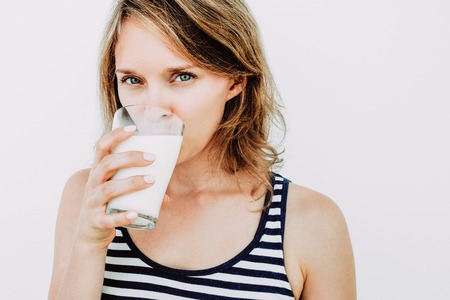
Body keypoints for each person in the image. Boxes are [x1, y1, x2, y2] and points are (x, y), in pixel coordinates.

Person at [48, 0, 356, 299]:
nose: (153, 108)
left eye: (183, 77)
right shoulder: (88, 199)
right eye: (132, 79)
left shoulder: (311, 224)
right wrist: (89, 245)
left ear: (236, 79)